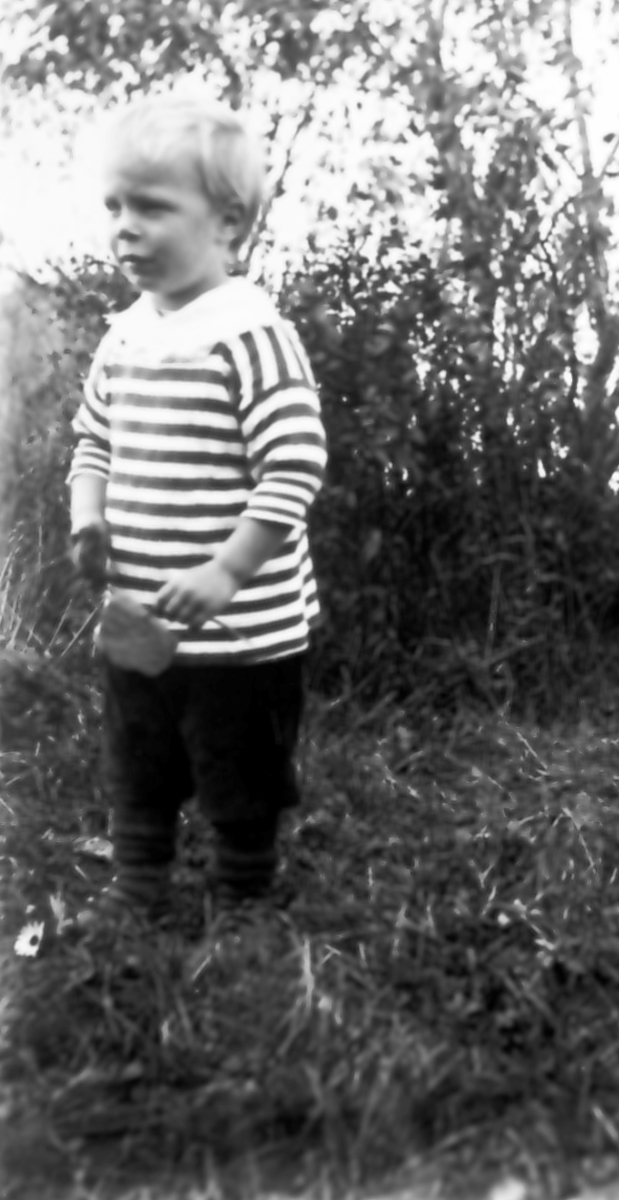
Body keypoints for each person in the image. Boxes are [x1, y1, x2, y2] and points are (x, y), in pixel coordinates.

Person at [68, 94, 327, 929]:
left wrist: (226, 570)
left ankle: (243, 892)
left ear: (227, 223)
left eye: (150, 207)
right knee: (136, 757)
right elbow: (93, 443)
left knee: (238, 766)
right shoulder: (124, 336)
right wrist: (86, 518)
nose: (125, 227)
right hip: (138, 611)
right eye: (114, 206)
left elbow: (294, 465)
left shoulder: (249, 335)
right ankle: (137, 887)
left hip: (241, 630)